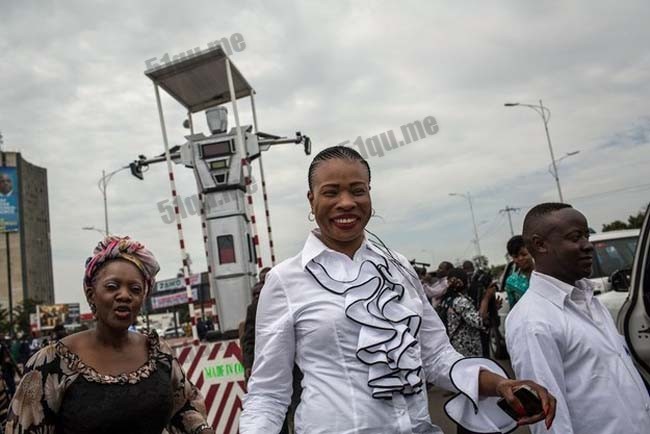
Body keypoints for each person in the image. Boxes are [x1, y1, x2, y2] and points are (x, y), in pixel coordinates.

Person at [240, 145, 556, 434]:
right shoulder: (285, 279)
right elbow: (268, 393)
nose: (346, 202)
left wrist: (500, 384)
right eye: (331, 192)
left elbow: (435, 356)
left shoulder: (398, 267)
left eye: (357, 191)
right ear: (312, 199)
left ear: (370, 194)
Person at [5, 236, 213, 434]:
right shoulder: (51, 362)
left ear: (143, 298)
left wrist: (203, 429)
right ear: (91, 294)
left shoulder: (159, 353)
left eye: (135, 289)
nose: (124, 295)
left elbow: (185, 407)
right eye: (112, 286)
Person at [505, 203, 650, 434]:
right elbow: (550, 423)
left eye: (587, 236)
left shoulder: (589, 299)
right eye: (575, 237)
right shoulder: (533, 321)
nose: (587, 246)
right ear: (540, 245)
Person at [439, 268, 493, 359]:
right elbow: (478, 321)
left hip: (457, 347)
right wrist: (486, 298)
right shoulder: (461, 301)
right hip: (468, 350)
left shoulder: (448, 299)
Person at [462, 261, 498, 358]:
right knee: (484, 346)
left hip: (481, 316)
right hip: (483, 315)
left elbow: (489, 294)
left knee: (484, 346)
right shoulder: (480, 278)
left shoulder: (476, 280)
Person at [504, 235, 534, 308]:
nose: (520, 258)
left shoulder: (545, 273)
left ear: (531, 252)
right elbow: (513, 308)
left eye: (524, 254)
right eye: (516, 256)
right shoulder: (511, 282)